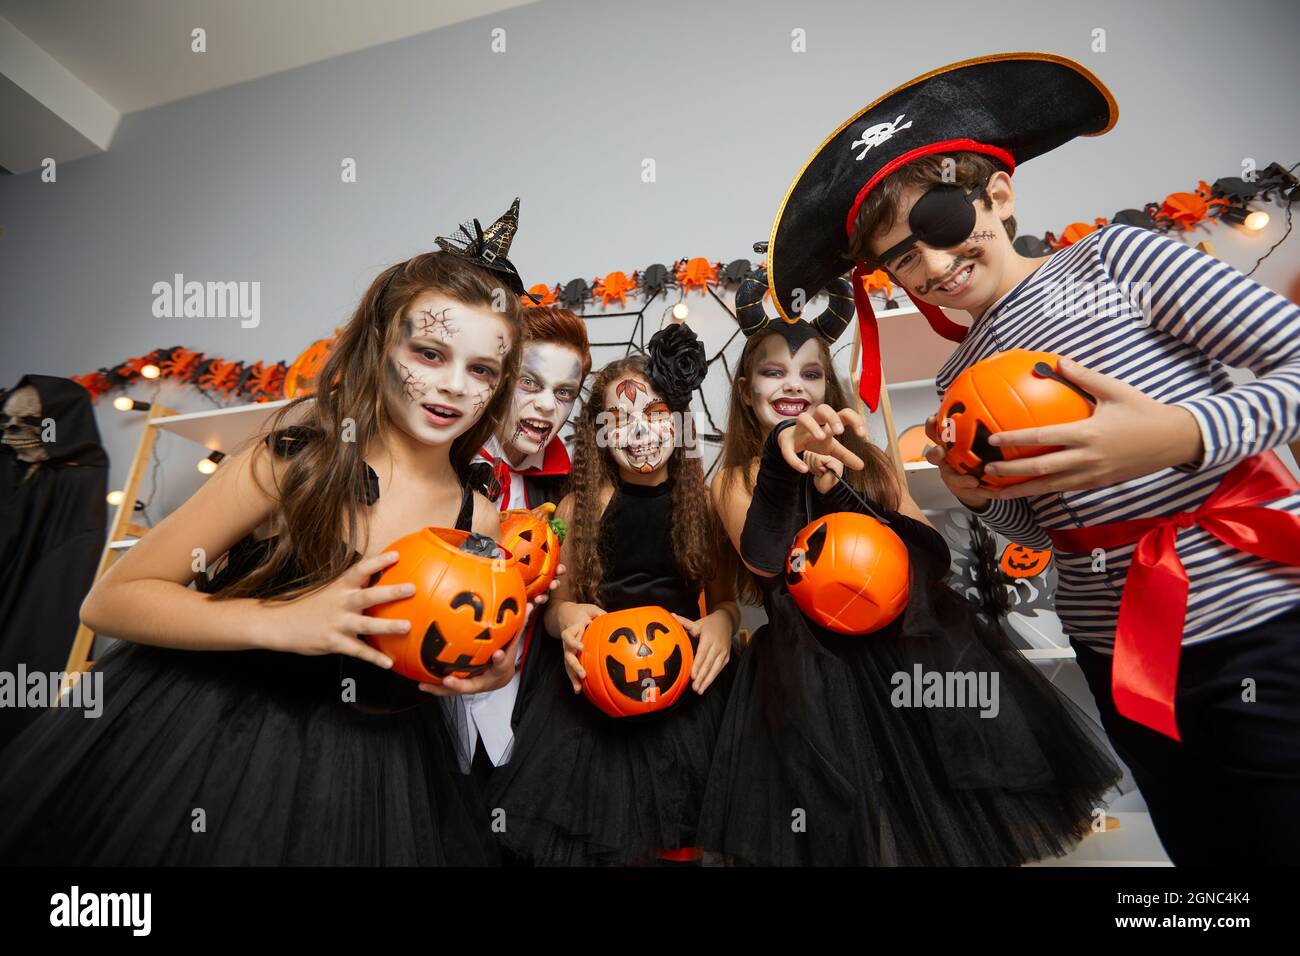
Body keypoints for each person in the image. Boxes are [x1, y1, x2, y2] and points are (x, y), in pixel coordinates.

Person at [771, 52, 1300, 864]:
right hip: (1116, 654)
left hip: (1254, 619)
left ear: (999, 196)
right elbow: (1043, 530)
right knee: (1203, 849)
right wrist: (979, 497)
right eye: (902, 258)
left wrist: (1179, 435)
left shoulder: (1121, 261)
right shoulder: (954, 379)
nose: (934, 265)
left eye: (943, 222)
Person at [0, 200, 537, 865]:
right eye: (429, 353)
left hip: (375, 769)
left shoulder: (476, 515)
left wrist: (479, 671)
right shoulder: (295, 462)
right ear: (381, 343)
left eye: (481, 369)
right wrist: (281, 621)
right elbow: (111, 600)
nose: (452, 386)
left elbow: (436, 637)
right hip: (215, 733)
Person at [696, 270, 1122, 865]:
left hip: (914, 650)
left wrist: (845, 492)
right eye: (774, 372)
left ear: (828, 387)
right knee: (855, 831)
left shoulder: (866, 458)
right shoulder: (733, 479)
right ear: (746, 392)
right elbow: (767, 560)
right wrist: (783, 462)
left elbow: (930, 551)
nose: (793, 384)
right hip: (813, 671)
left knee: (944, 823)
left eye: (811, 373)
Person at [488, 325, 740, 865]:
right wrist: (566, 617)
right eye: (620, 419)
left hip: (685, 691)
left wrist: (723, 620)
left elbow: (723, 598)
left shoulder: (702, 504)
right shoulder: (582, 507)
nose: (640, 430)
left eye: (654, 414)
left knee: (685, 839)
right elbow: (555, 607)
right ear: (599, 433)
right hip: (598, 693)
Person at [453, 306, 591, 792]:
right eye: (530, 383)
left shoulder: (564, 492)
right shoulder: (443, 461)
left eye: (564, 393)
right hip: (427, 699)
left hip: (524, 706)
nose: (548, 406)